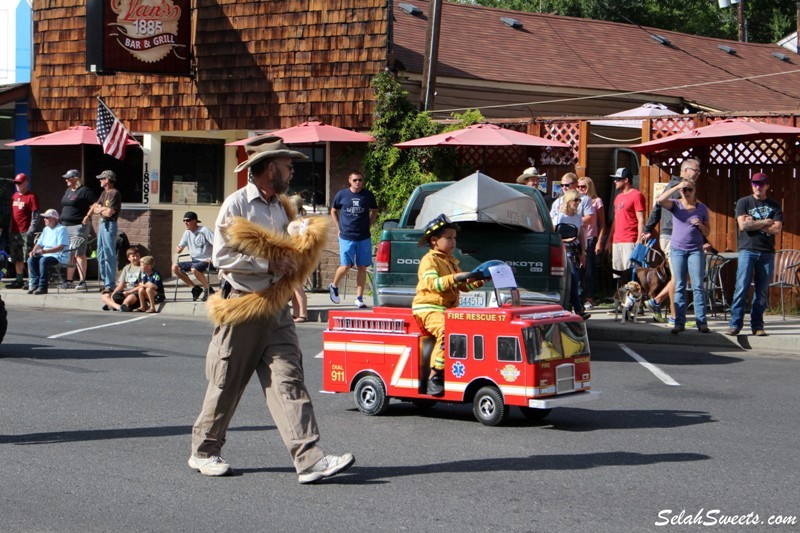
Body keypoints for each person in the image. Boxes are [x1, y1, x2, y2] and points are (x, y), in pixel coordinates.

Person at [190, 135, 354, 483]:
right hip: (244, 305)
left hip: (277, 308)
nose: (292, 170)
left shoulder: (281, 206)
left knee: (289, 380)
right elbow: (220, 257)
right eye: (287, 164)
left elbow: (287, 252)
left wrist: (300, 244)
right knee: (226, 383)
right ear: (269, 168)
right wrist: (269, 264)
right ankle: (204, 452)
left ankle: (309, 459)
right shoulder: (236, 205)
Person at [412, 214, 484, 396]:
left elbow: (463, 286)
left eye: (455, 238)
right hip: (428, 308)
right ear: (434, 241)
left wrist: (479, 280)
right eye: (449, 238)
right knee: (447, 332)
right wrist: (456, 277)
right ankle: (435, 375)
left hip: (447, 310)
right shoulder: (429, 260)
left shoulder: (450, 261)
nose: (453, 242)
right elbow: (433, 284)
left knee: (469, 331)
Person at [641, 158, 702, 324]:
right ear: (684, 171)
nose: (697, 173)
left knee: (680, 276)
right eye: (694, 170)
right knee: (678, 277)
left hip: (680, 237)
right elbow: (658, 205)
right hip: (671, 235)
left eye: (698, 171)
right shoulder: (677, 187)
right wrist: (648, 228)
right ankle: (674, 317)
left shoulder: (686, 188)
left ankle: (657, 301)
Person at [726, 172, 783, 337]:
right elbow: (743, 226)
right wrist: (765, 222)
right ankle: (735, 324)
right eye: (755, 183)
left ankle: (757, 325)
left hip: (766, 253)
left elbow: (777, 229)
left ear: (767, 186)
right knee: (741, 287)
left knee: (762, 291)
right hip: (747, 250)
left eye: (761, 184)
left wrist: (754, 223)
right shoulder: (744, 202)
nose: (758, 186)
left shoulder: (775, 205)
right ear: (752, 185)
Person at [655, 178, 711, 334]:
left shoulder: (701, 208)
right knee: (679, 285)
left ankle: (702, 322)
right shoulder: (676, 205)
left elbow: (708, 231)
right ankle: (679, 322)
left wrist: (700, 225)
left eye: (689, 189)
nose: (686, 192)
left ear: (695, 191)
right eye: (684, 190)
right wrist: (677, 186)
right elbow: (660, 200)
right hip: (677, 249)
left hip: (695, 250)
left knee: (698, 286)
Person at [328, 170, 378, 308]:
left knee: (362, 266)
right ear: (349, 180)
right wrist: (339, 227)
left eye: (360, 180)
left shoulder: (367, 195)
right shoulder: (342, 195)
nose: (358, 183)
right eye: (355, 180)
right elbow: (333, 210)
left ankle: (359, 298)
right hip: (347, 235)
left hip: (363, 236)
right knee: (346, 266)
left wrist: (369, 224)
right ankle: (333, 285)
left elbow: (375, 210)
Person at [551, 190, 590, 320]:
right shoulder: (560, 217)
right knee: (572, 278)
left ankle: (576, 307)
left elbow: (581, 235)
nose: (578, 203)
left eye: (579, 200)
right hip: (563, 249)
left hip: (575, 249)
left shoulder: (578, 216)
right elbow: (554, 234)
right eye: (576, 200)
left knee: (576, 279)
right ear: (569, 201)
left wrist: (583, 252)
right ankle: (577, 309)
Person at [604, 168, 646, 281]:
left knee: (630, 273)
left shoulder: (637, 195)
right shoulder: (618, 197)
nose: (615, 181)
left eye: (618, 179)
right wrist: (609, 240)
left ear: (626, 180)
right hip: (617, 240)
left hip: (630, 239)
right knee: (618, 274)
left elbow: (641, 219)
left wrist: (639, 239)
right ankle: (621, 297)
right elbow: (615, 220)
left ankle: (632, 298)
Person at [84, 170, 121, 293]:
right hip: (102, 224)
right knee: (100, 253)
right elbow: (95, 208)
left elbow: (109, 213)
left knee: (109, 254)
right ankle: (106, 282)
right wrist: (101, 209)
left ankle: (110, 284)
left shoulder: (114, 193)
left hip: (109, 225)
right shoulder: (104, 193)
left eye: (102, 178)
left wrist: (101, 209)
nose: (100, 180)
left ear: (107, 180)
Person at [59, 169, 97, 290]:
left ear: (76, 178)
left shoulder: (84, 191)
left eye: (68, 178)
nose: (66, 180)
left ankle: (82, 281)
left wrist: (88, 216)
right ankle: (69, 281)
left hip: (78, 226)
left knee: (79, 253)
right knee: (70, 253)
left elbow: (96, 204)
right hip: (66, 226)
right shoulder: (68, 190)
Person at [171, 211, 215, 302]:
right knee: (175, 267)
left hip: (207, 260)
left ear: (195, 221)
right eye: (184, 221)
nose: (185, 223)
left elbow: (217, 244)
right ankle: (195, 288)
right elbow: (180, 247)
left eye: (188, 220)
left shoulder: (205, 230)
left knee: (194, 269)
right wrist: (178, 248)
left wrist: (213, 258)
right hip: (194, 260)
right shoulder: (187, 233)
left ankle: (208, 289)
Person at [7, 173, 40, 289]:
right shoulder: (14, 196)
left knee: (28, 257)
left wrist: (31, 230)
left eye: (20, 183)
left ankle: (31, 280)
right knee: (17, 257)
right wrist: (10, 228)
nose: (18, 185)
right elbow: (12, 214)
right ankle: (19, 280)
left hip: (26, 231)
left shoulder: (31, 196)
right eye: (16, 183)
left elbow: (35, 215)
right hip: (14, 231)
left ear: (26, 182)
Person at [577, 176, 605, 309]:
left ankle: (590, 297)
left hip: (591, 237)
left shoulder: (596, 201)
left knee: (589, 270)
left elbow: (602, 223)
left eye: (583, 186)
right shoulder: (577, 201)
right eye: (578, 186)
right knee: (579, 269)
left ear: (589, 187)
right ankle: (580, 296)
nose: (580, 189)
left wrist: (599, 241)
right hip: (579, 237)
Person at [26, 209, 68, 295]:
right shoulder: (46, 229)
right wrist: (33, 252)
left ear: (54, 219)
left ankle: (43, 287)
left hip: (58, 256)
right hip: (45, 254)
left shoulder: (62, 229)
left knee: (43, 260)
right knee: (31, 260)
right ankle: (34, 285)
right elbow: (39, 244)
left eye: (47, 218)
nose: (44, 219)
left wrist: (45, 251)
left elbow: (61, 247)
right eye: (44, 218)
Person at [100, 246, 142, 312]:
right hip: (124, 292)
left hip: (134, 292)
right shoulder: (126, 268)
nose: (136, 258)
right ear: (129, 258)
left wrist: (129, 292)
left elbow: (142, 285)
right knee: (105, 296)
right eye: (133, 256)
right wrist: (113, 294)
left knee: (130, 297)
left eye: (137, 256)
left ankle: (114, 305)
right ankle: (119, 307)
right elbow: (121, 285)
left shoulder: (141, 268)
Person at [288, 194, 309, 323]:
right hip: (293, 254)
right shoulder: (296, 220)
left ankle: (303, 313)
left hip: (298, 255)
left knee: (297, 285)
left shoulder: (300, 222)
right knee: (294, 286)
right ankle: (296, 313)